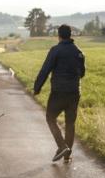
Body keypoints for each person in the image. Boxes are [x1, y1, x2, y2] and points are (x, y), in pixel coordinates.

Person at [33, 24, 86, 162]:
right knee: (70, 123)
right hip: (74, 93)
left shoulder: (56, 50)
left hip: (58, 92)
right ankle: (67, 156)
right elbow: (82, 73)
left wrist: (37, 87)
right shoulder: (79, 52)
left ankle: (62, 146)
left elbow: (45, 70)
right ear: (70, 35)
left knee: (50, 118)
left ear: (59, 35)